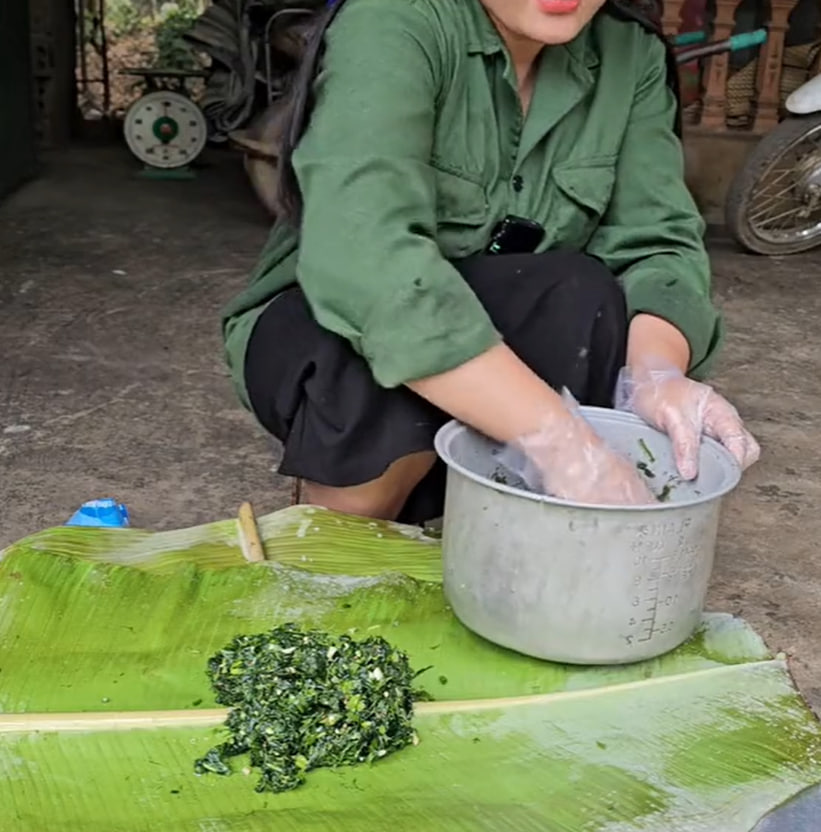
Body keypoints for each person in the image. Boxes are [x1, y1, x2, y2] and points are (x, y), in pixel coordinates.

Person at [223, 0, 760, 524]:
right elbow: (369, 262)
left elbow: (656, 241)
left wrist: (656, 374)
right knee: (376, 356)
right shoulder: (391, 21)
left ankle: (503, 528)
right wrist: (561, 440)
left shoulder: (629, 51)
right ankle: (336, 543)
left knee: (581, 292)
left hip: (508, 334)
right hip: (324, 328)